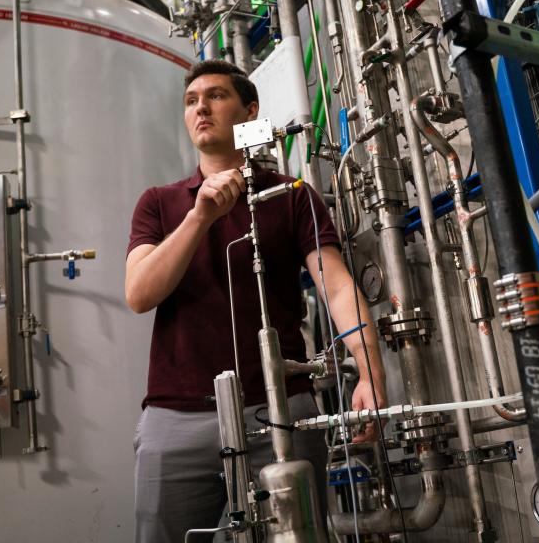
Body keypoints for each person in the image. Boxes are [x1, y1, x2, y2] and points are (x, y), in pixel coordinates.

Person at [125, 60, 387, 543]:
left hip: (279, 410)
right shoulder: (160, 202)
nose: (200, 107)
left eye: (216, 96)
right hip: (177, 416)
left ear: (250, 111)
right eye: (191, 101)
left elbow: (337, 287)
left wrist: (369, 372)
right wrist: (200, 217)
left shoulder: (290, 195)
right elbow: (140, 294)